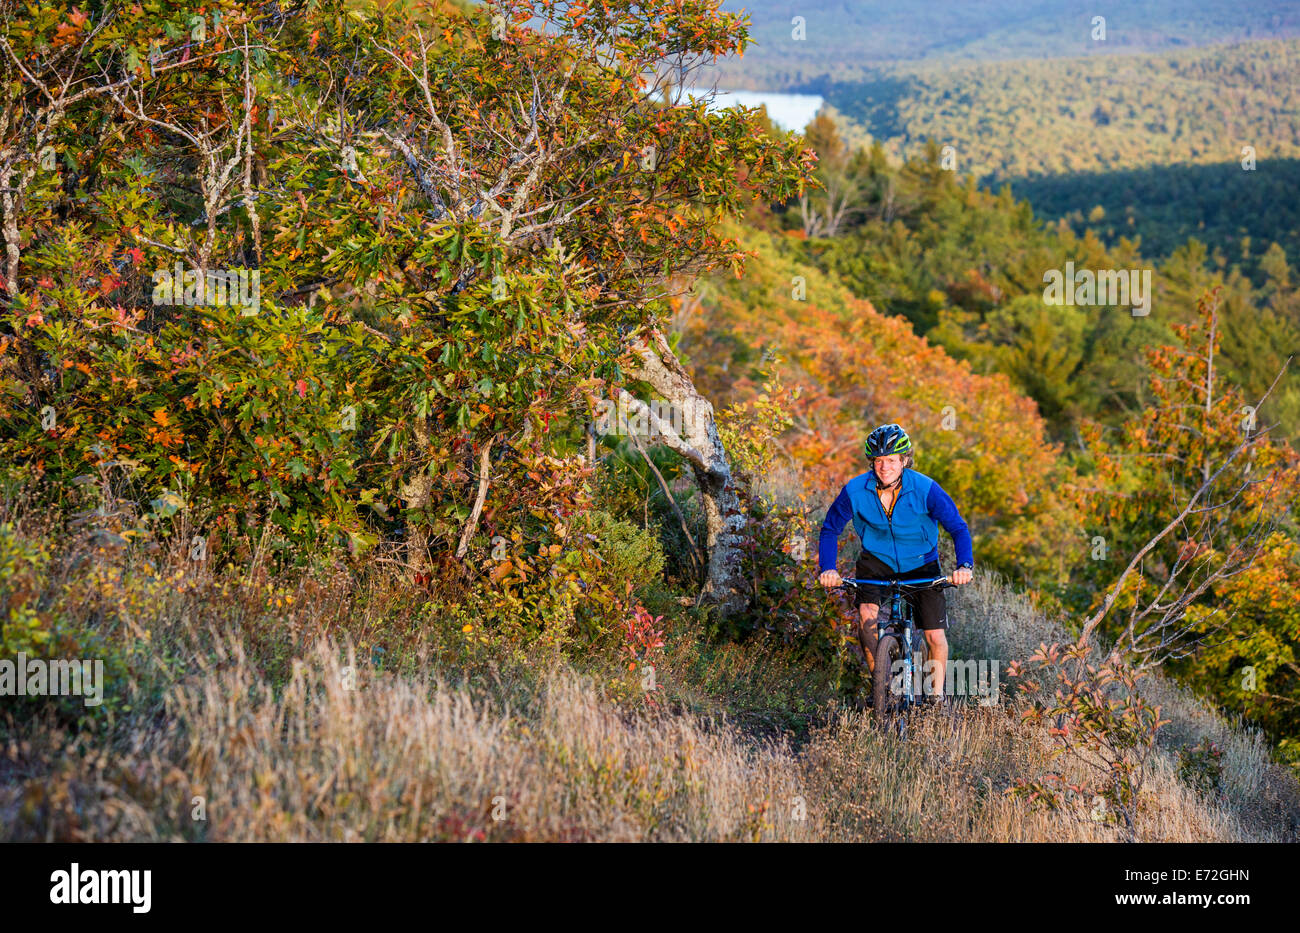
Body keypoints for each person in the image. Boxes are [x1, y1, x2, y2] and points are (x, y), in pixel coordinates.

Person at [818, 423, 973, 702]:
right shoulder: (855, 490)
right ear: (872, 463)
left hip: (921, 563)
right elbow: (830, 529)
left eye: (891, 460)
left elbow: (958, 528)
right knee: (867, 617)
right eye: (878, 460)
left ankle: (936, 699)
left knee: (935, 637)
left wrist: (965, 566)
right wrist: (828, 568)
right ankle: (882, 687)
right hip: (876, 561)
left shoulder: (926, 489)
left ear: (904, 461)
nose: (884, 467)